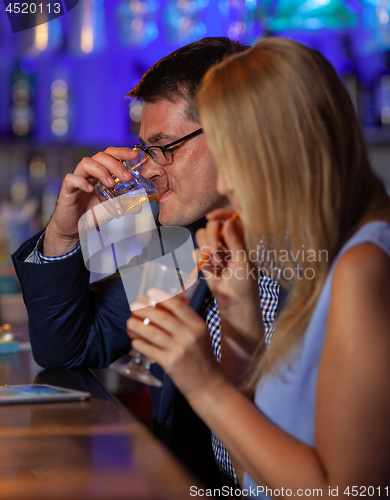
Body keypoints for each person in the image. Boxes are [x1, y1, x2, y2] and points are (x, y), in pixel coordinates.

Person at [125, 37, 390, 497]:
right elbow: (249, 473)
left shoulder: (366, 266)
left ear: (285, 150)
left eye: (234, 160)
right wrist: (240, 320)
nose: (227, 182)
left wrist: (206, 385)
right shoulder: (319, 253)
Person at [11, 37, 285, 490]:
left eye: (164, 147)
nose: (149, 170)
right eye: (145, 149)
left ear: (235, 133)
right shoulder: (181, 242)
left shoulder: (316, 256)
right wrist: (63, 232)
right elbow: (69, 348)